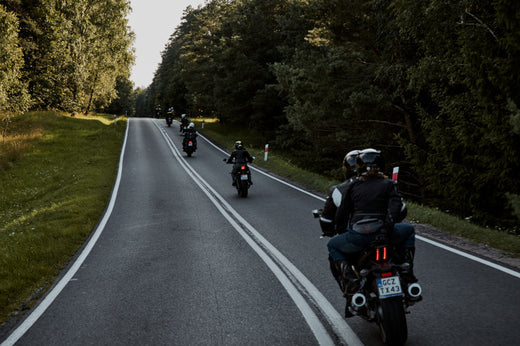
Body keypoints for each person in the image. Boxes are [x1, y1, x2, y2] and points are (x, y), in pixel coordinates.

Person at [320, 148, 417, 307]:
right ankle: (406, 269)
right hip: (385, 234)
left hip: (359, 236)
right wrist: (387, 226)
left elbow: (342, 213)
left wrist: (341, 229)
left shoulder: (352, 187)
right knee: (409, 230)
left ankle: (351, 281)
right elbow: (397, 209)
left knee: (333, 245)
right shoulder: (389, 183)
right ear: (380, 165)